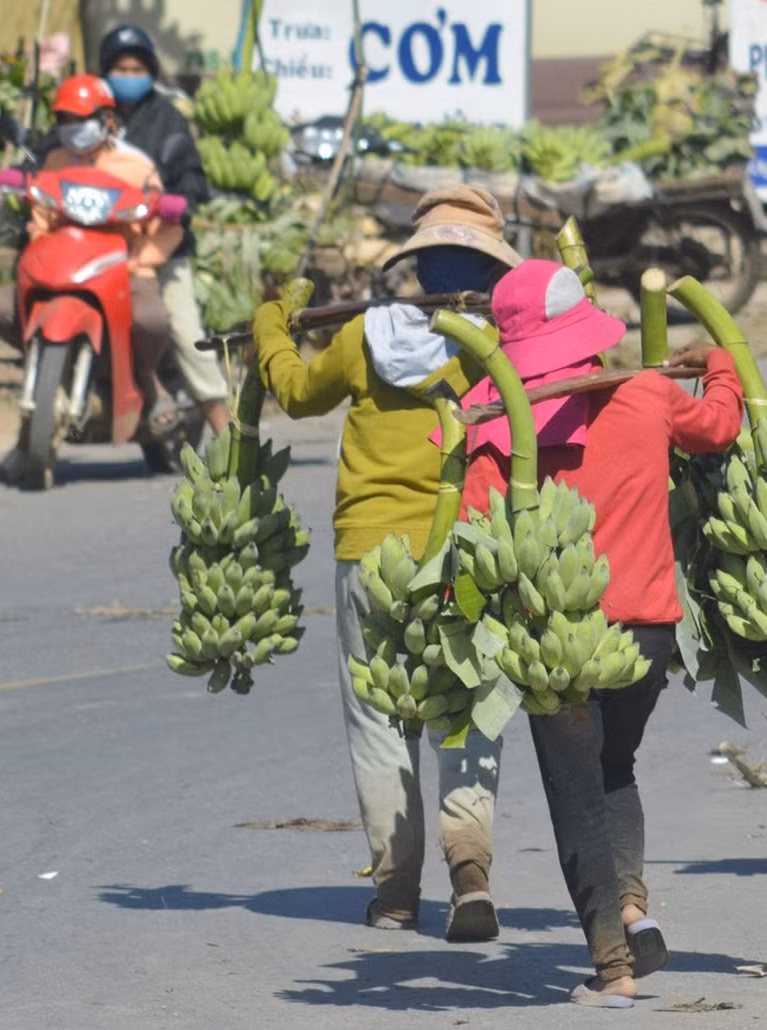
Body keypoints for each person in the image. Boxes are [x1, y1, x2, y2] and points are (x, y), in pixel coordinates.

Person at [460, 258, 744, 1005]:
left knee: (575, 790)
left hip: (558, 637)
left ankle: (612, 966)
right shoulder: (648, 394)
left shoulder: (492, 422)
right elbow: (718, 426)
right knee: (616, 764)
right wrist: (718, 364)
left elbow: (472, 533)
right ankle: (632, 911)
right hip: (647, 633)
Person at [252, 186, 522, 941]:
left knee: (379, 720)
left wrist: (273, 325)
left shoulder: (369, 332)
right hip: (469, 550)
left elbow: (298, 393)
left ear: (419, 265)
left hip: (370, 549)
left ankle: (397, 891)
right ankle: (470, 870)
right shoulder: (503, 342)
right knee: (471, 711)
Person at [0, 74, 181, 479]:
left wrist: (142, 259)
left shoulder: (136, 165)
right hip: (63, 267)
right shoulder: (53, 161)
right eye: (64, 118)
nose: (72, 126)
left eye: (81, 117)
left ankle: (147, 380)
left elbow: (161, 217)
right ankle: (38, 400)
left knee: (150, 319)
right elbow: (41, 219)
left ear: (107, 119)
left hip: (123, 267)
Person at [97, 23, 230, 435]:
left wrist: (181, 203)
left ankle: (228, 436)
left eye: (137, 68)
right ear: (105, 71)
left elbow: (192, 179)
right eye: (120, 67)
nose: (129, 75)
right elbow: (59, 153)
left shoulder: (168, 119)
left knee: (187, 336)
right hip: (97, 247)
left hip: (160, 249)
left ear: (151, 71)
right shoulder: (91, 116)